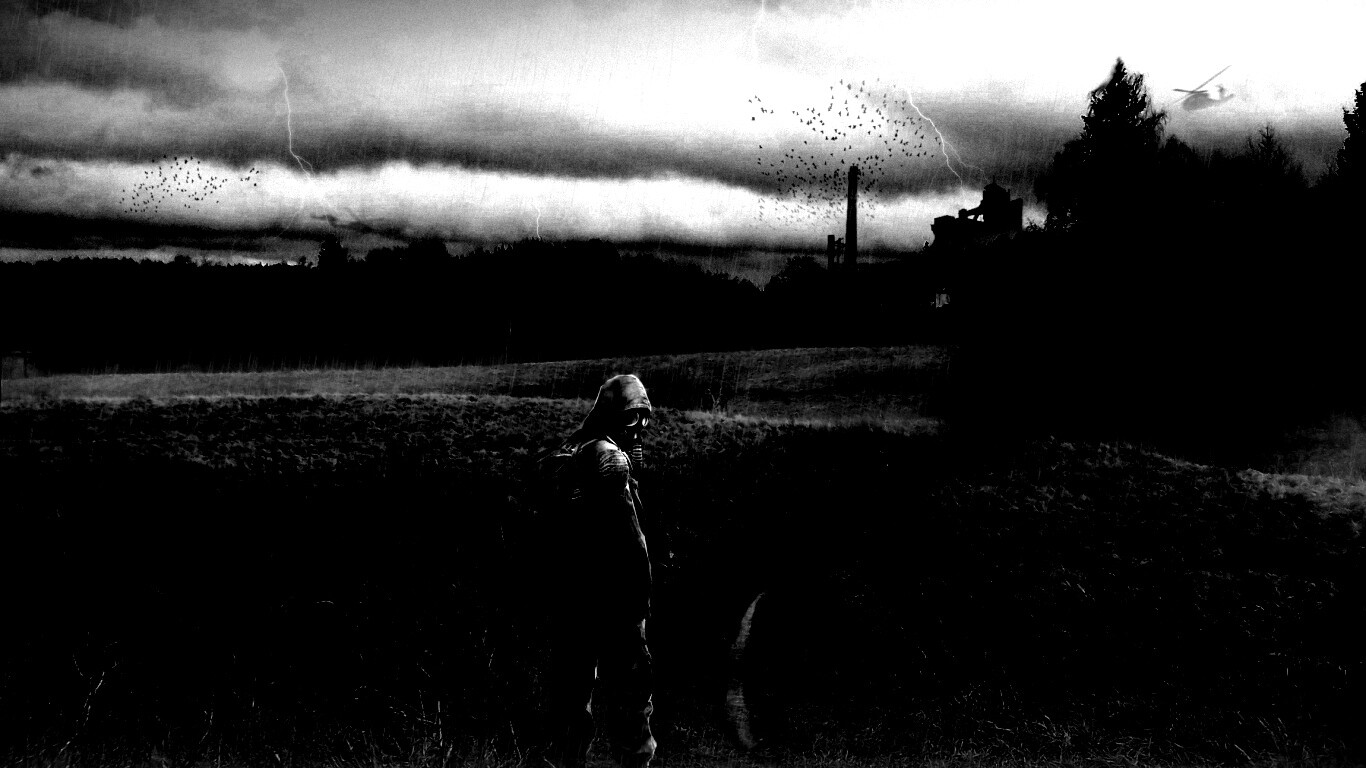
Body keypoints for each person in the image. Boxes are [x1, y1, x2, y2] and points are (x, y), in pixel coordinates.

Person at [546, 374, 657, 768]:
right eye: (632, 417)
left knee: (575, 697)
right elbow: (630, 542)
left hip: (578, 598)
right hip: (613, 600)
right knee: (627, 696)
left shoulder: (576, 451)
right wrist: (640, 598)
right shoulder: (607, 458)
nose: (639, 428)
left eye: (644, 418)